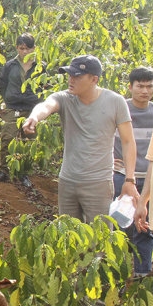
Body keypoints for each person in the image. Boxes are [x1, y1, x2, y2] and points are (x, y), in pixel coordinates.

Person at [23, 55, 138, 222]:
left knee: (99, 239)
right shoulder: (65, 98)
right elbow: (47, 105)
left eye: (77, 76)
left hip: (98, 182)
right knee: (69, 237)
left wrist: (130, 179)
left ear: (94, 79)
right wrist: (34, 117)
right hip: (68, 180)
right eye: (70, 75)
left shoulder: (115, 102)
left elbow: (128, 141)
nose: (71, 80)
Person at [0, 33, 45, 187]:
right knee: (7, 137)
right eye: (22, 48)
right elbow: (2, 84)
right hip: (12, 107)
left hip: (31, 108)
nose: (25, 52)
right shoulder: (10, 65)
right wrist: (8, 98)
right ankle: (4, 171)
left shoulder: (40, 66)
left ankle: (23, 173)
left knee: (28, 140)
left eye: (28, 48)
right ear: (17, 48)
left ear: (34, 48)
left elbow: (44, 86)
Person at [116, 67, 153, 276]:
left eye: (149, 86)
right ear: (130, 87)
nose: (145, 90)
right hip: (122, 177)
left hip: (148, 179)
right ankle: (117, 278)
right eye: (140, 86)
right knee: (121, 227)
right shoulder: (121, 110)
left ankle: (142, 276)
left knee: (146, 229)